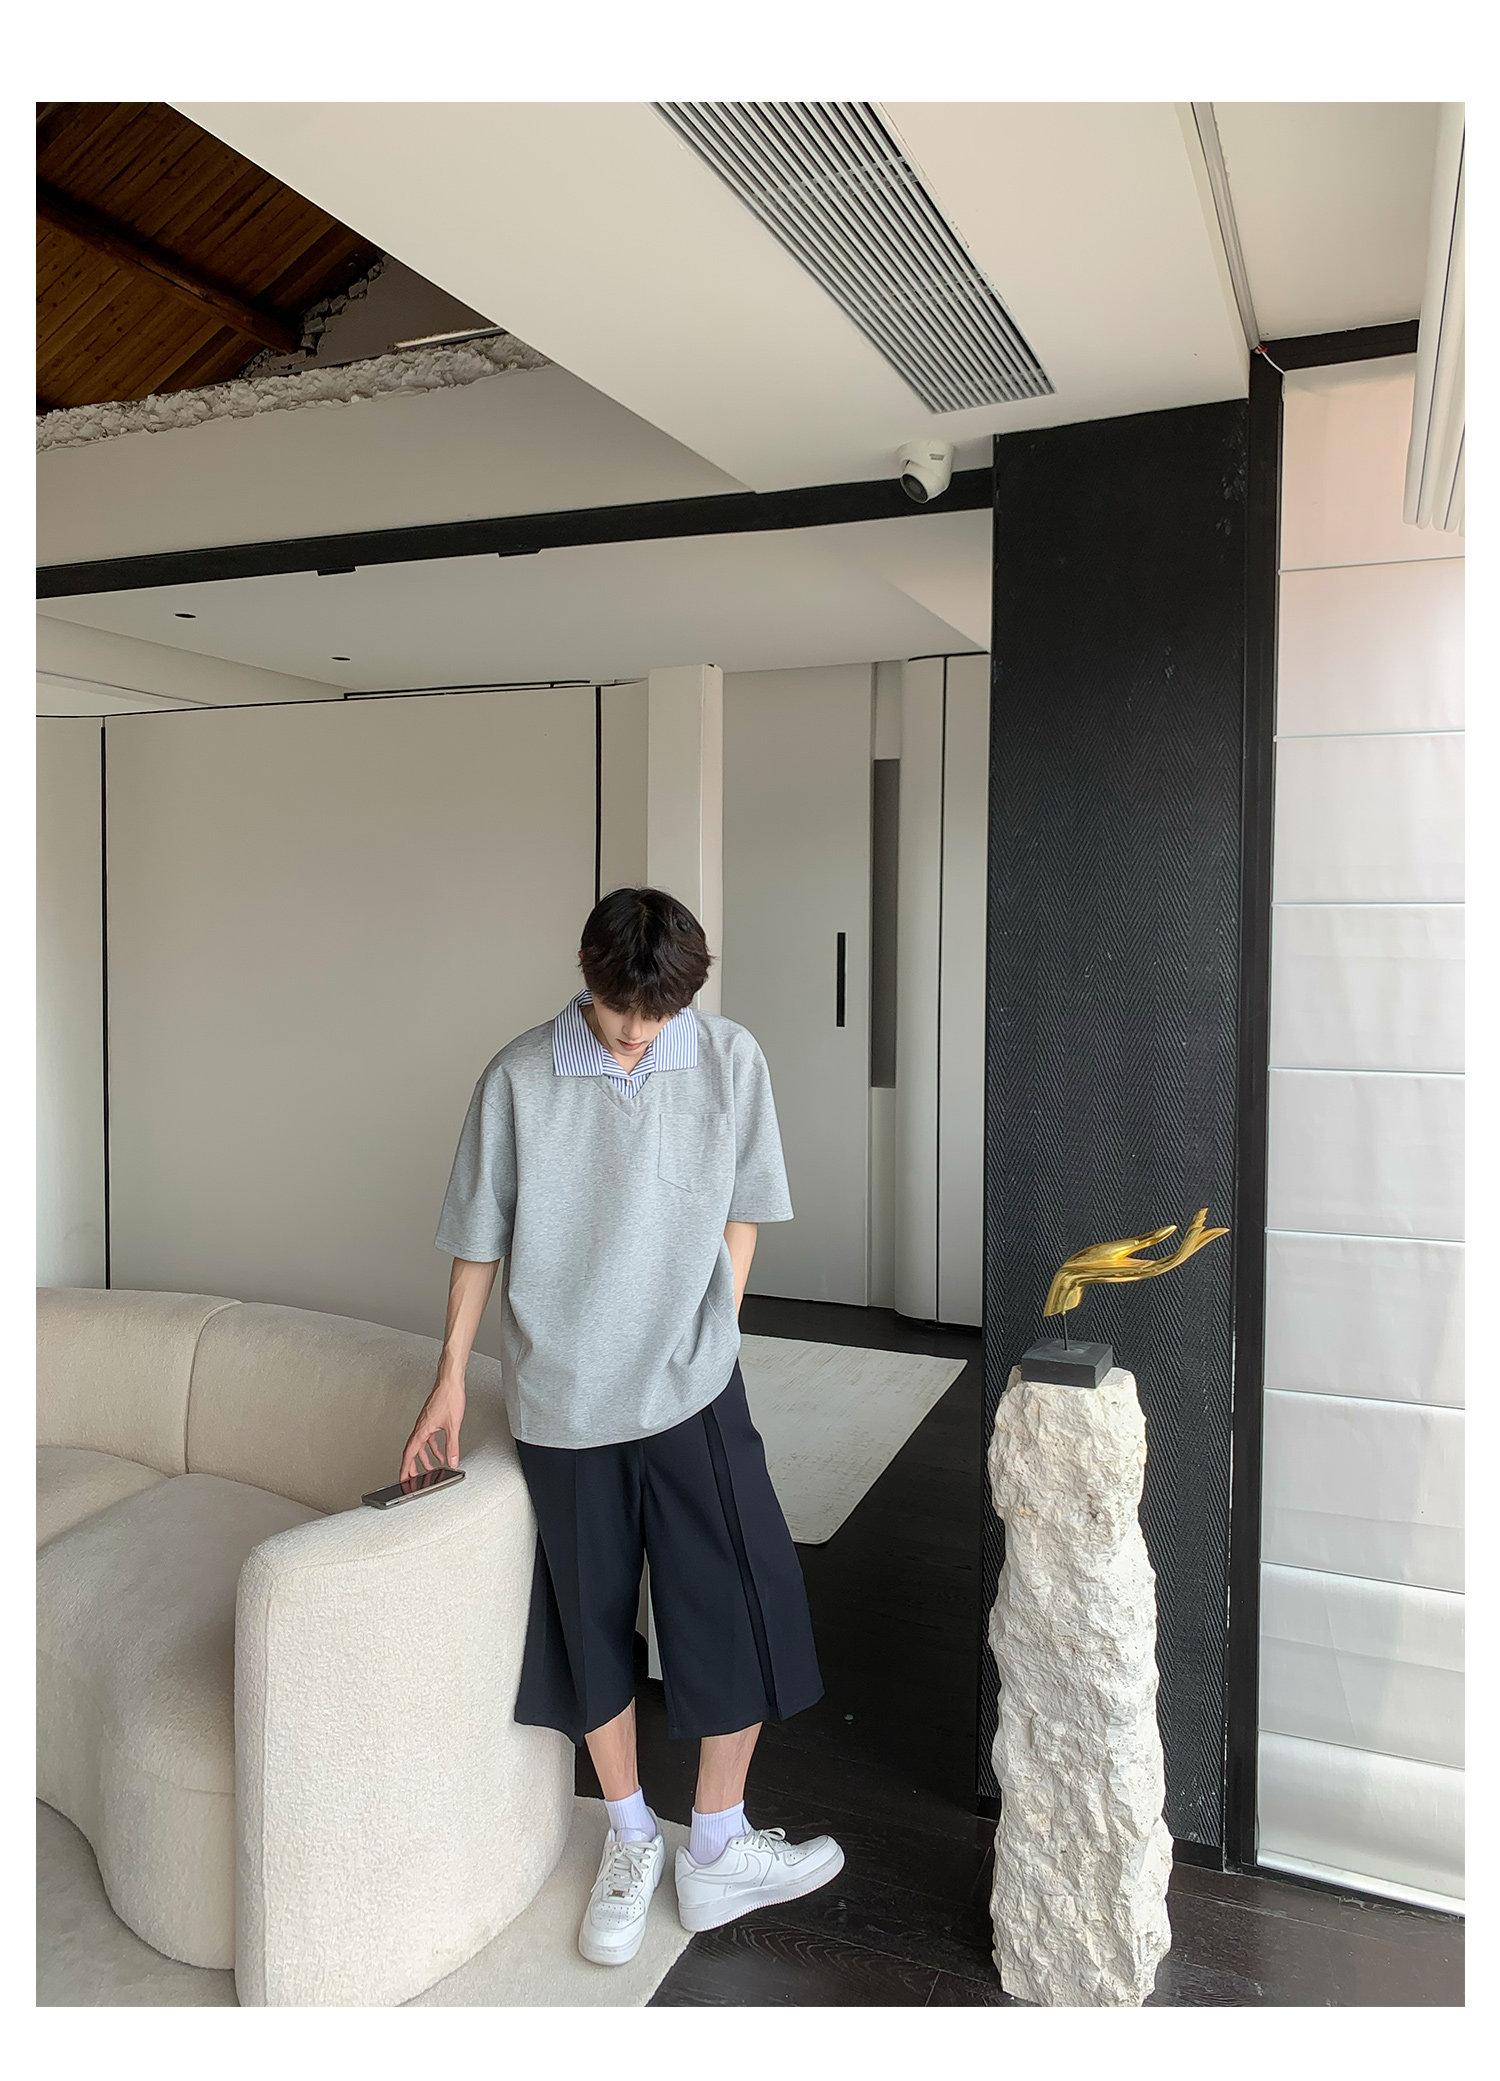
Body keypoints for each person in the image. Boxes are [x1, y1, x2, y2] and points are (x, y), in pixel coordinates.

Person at [401, 886, 843, 1967]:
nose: (636, 1029)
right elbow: (477, 1238)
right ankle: (634, 1834)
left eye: (656, 1012)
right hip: (564, 1400)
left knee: (741, 1595)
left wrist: (717, 1328)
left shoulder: (730, 1061)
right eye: (617, 1008)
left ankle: (719, 1841)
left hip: (692, 1384)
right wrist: (450, 1376)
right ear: (588, 976)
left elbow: (745, 1209)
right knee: (588, 1618)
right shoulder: (517, 1078)